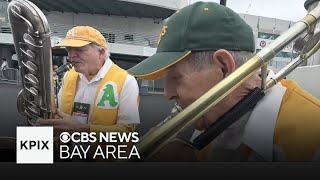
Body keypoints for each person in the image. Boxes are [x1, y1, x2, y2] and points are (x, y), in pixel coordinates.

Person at [127, 1, 320, 161]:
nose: (167, 93)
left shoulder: (312, 135)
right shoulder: (212, 118)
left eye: (176, 77)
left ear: (224, 67)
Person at [36, 26, 141, 161]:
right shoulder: (69, 75)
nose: (71, 55)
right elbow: (59, 114)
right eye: (69, 50)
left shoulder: (126, 81)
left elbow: (126, 134)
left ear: (101, 53)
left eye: (79, 50)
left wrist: (82, 129)